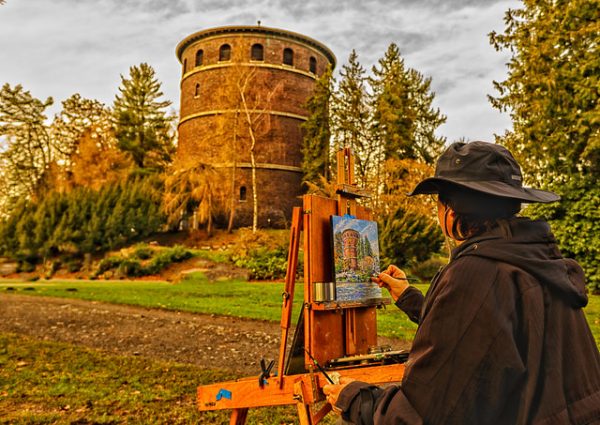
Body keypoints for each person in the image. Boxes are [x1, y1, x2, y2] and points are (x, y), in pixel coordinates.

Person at [323, 141, 600, 424]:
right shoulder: (532, 260)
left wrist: (355, 398)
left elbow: (423, 415)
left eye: (438, 203)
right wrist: (408, 296)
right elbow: (489, 330)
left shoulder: (479, 275)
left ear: (451, 211)